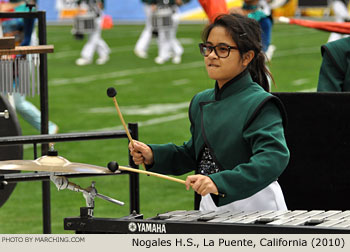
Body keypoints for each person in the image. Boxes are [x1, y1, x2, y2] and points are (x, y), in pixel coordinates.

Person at [129, 14, 290, 211]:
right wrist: (154, 155)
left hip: (257, 204)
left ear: (246, 57)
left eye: (223, 49)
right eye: (208, 48)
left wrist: (220, 182)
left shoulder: (260, 103)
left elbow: (273, 158)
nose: (212, 55)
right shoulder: (201, 101)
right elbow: (195, 154)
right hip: (211, 205)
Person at [1, 0, 59, 135]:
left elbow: (27, 37)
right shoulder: (3, 5)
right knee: (6, 101)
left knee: (18, 102)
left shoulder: (28, 8)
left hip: (20, 56)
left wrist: (15, 56)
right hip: (4, 56)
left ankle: (48, 127)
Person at [75, 0, 110, 66]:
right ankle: (104, 53)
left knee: (93, 38)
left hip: (97, 17)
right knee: (95, 38)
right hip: (89, 17)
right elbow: (78, 4)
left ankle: (86, 57)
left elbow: (101, 6)